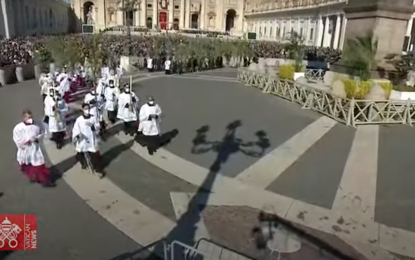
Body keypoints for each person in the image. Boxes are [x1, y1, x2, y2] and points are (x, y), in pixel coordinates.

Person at [13, 109, 52, 186]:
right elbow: (17, 139)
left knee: (38, 163)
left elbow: (43, 132)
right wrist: (26, 141)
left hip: (35, 147)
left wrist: (37, 138)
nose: (30, 119)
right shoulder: (19, 127)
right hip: (25, 149)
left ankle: (43, 180)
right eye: (28, 117)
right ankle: (32, 176)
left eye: (31, 117)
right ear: (24, 118)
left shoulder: (38, 124)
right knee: (27, 164)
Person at [72, 103, 105, 178]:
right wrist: (78, 135)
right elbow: (75, 129)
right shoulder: (79, 120)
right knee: (81, 154)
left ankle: (97, 170)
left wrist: (93, 126)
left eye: (88, 108)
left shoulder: (93, 118)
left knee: (94, 155)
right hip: (83, 139)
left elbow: (98, 126)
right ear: (83, 110)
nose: (87, 110)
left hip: (92, 139)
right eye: (86, 109)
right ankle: (84, 165)